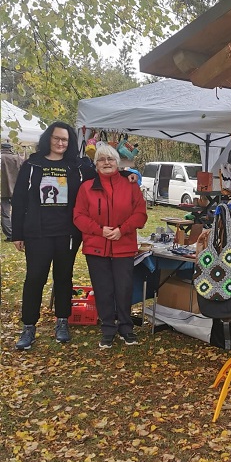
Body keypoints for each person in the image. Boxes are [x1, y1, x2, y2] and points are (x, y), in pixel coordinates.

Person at [11, 122, 138, 350]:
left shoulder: (77, 166)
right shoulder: (32, 164)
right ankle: (29, 326)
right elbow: (19, 200)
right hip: (37, 233)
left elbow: (107, 171)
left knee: (63, 277)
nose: (61, 143)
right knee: (34, 278)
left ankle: (62, 322)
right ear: (48, 138)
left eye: (65, 140)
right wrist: (17, 233)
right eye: (57, 138)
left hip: (67, 233)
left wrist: (128, 174)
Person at [73, 143, 147, 349]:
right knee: (103, 288)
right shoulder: (86, 187)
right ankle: (107, 328)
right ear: (96, 164)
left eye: (110, 159)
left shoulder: (130, 184)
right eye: (102, 159)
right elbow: (78, 216)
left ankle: (126, 327)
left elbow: (140, 214)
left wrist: (122, 229)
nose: (106, 163)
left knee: (123, 288)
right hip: (96, 246)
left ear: (117, 163)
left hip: (123, 244)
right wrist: (100, 230)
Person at [1, 142, 23, 241]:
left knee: (5, 213)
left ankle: (10, 234)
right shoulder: (17, 158)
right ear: (10, 148)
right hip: (16, 188)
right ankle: (18, 233)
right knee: (18, 211)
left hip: (3, 190)